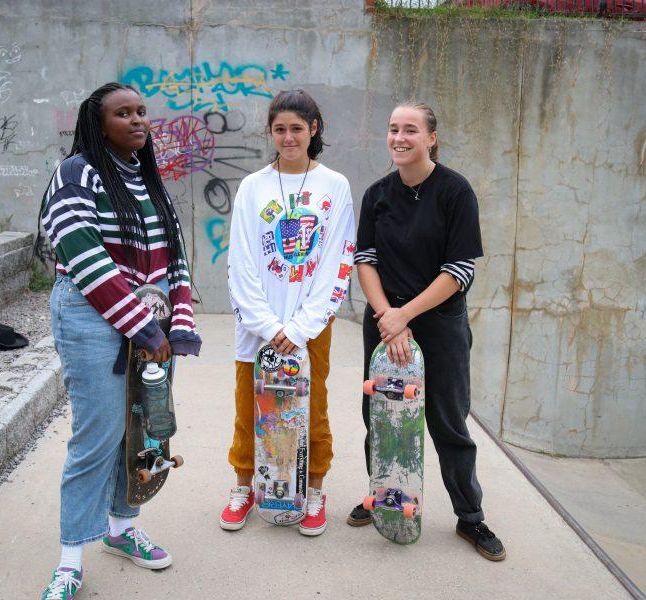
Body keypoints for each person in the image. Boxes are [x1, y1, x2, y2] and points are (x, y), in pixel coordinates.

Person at [38, 82, 201, 599]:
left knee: (140, 431)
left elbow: (174, 259)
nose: (137, 121)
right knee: (99, 434)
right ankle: (69, 559)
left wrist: (177, 325)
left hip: (145, 325)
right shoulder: (76, 174)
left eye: (142, 112)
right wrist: (145, 328)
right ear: (97, 122)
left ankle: (120, 527)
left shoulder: (149, 180)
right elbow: (86, 259)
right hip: (90, 316)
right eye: (122, 113)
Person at [348, 101, 505, 561]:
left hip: (437, 326)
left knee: (447, 422)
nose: (399, 138)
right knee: (379, 419)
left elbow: (459, 269)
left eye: (410, 130)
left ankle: (470, 517)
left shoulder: (455, 192)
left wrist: (405, 316)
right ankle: (384, 496)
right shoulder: (378, 193)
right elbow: (365, 261)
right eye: (393, 129)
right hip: (385, 324)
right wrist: (387, 319)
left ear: (431, 138)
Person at [221, 90, 356, 536]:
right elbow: (239, 260)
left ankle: (313, 492)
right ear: (271, 132)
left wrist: (299, 328)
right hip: (257, 328)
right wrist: (267, 325)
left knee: (311, 411)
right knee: (249, 409)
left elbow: (339, 258)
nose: (288, 136)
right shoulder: (253, 187)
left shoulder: (334, 186)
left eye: (297, 128)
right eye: (280, 129)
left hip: (310, 327)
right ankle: (245, 488)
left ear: (313, 129)